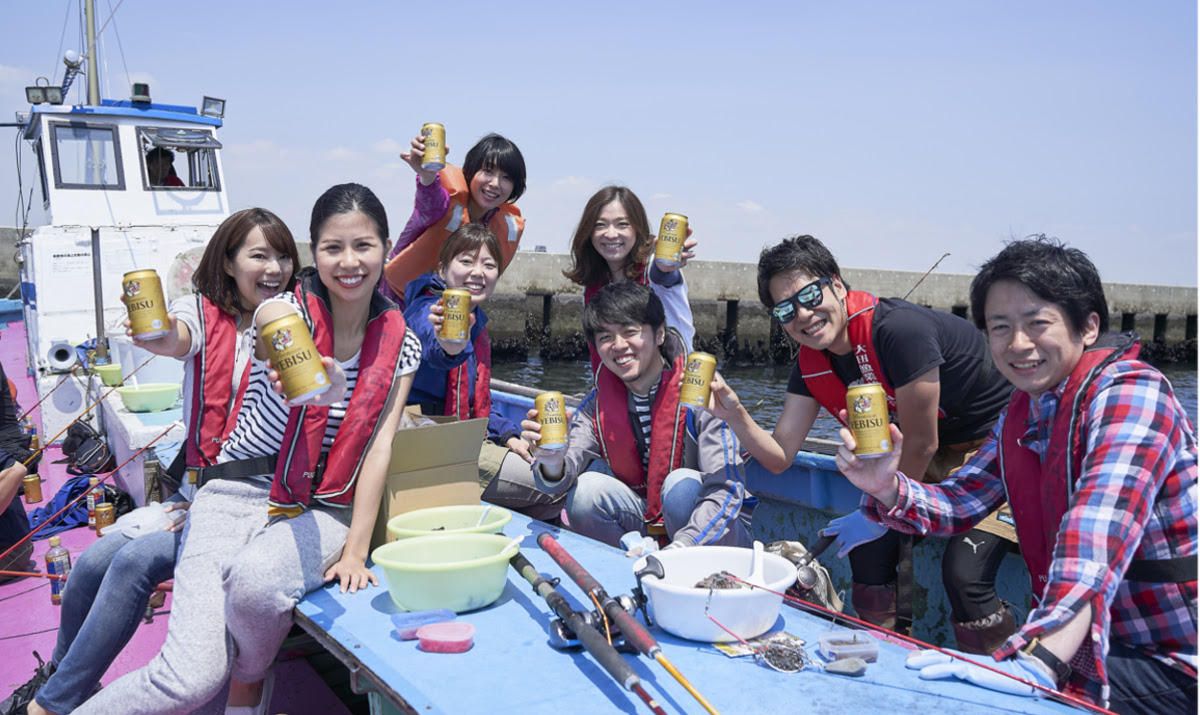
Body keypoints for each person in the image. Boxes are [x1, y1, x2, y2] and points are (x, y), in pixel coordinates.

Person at [73, 184, 421, 715]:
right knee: (187, 681)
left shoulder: (405, 343)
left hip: (323, 506)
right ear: (315, 252)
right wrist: (324, 383)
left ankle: (249, 680)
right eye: (333, 247)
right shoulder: (279, 313)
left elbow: (379, 448)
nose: (349, 262)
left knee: (258, 586)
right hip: (235, 491)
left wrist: (354, 549)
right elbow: (292, 365)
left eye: (364, 246)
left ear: (386, 247)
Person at [837, 237, 1197, 714]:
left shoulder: (1132, 394)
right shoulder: (1022, 411)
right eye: (1000, 328)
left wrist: (1040, 661)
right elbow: (962, 500)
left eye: (1037, 324)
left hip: (1169, 657)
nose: (1018, 344)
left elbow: (1096, 534)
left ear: (1088, 326)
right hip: (1086, 645)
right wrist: (887, 486)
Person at [12, 209, 300, 715]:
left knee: (136, 560)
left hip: (260, 500)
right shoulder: (201, 312)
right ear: (229, 264)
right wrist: (157, 332)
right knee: (91, 564)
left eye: (282, 255)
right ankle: (64, 681)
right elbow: (176, 336)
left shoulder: (294, 322)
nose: (274, 267)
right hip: (200, 491)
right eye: (259, 255)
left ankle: (51, 705)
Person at [708, 235, 1017, 650]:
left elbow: (922, 441)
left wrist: (878, 514)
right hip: (916, 458)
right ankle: (881, 656)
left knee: (965, 573)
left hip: (995, 451)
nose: (803, 314)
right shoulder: (810, 363)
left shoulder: (898, 330)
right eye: (786, 309)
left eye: (810, 295)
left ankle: (1006, 681)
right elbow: (781, 456)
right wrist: (735, 415)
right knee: (866, 553)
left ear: (837, 284)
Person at [522, 281, 752, 549]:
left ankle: (683, 568)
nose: (619, 345)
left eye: (630, 331)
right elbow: (558, 480)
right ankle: (633, 567)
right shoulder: (596, 405)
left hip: (715, 531)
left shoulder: (703, 392)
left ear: (660, 334)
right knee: (584, 493)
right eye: (605, 337)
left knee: (681, 487)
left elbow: (727, 488)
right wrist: (551, 461)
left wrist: (683, 547)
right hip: (648, 525)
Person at [405, 223, 563, 522]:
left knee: (547, 498)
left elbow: (474, 402)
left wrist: (508, 433)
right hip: (428, 445)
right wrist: (448, 342)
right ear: (441, 270)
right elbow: (437, 346)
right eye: (466, 261)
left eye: (489, 265)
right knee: (552, 488)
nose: (478, 272)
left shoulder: (477, 321)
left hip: (462, 436)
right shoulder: (425, 309)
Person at [382, 132, 526, 307]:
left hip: (451, 310)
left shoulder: (502, 225)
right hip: (395, 301)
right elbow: (429, 200)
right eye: (488, 171)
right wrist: (427, 175)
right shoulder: (444, 203)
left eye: (506, 178)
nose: (495, 183)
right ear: (471, 171)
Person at [563, 185, 696, 366]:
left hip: (671, 386)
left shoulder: (653, 270)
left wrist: (666, 266)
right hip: (617, 391)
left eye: (622, 224)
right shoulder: (592, 282)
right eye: (600, 225)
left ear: (637, 228)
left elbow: (663, 276)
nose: (611, 234)